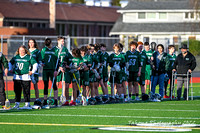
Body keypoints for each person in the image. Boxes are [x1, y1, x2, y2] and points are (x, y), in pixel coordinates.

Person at [41, 38, 58, 106]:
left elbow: (58, 60)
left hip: (53, 69)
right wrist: (41, 63)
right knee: (45, 85)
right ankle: (45, 100)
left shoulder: (55, 50)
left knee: (54, 85)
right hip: (45, 70)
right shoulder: (44, 49)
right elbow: (41, 58)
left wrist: (56, 70)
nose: (48, 46)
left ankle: (56, 100)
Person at [55, 36, 70, 106]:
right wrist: (59, 67)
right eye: (61, 41)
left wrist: (66, 65)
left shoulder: (65, 49)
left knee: (64, 83)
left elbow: (69, 58)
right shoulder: (55, 49)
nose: (63, 42)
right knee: (57, 84)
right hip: (57, 68)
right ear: (58, 41)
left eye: (63, 41)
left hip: (64, 69)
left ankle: (63, 99)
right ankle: (56, 99)